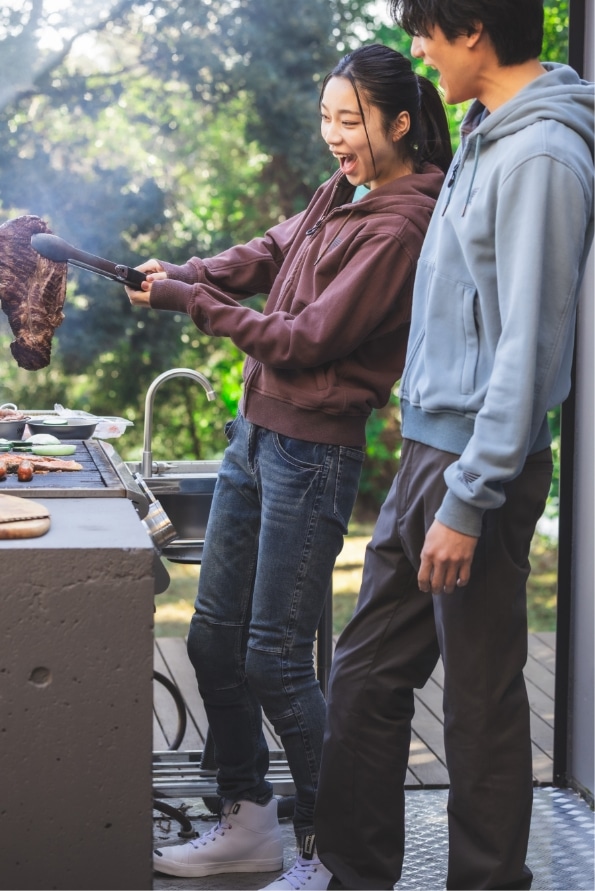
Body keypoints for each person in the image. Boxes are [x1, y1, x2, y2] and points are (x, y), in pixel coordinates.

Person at [126, 43, 452, 889]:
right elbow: (272, 249)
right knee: (212, 641)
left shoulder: (401, 225)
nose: (333, 136)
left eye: (350, 121)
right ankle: (248, 819)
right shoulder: (343, 193)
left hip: (313, 452)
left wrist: (191, 301)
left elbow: (307, 340)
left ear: (400, 124)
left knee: (274, 657)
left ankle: (326, 847)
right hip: (255, 434)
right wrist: (190, 272)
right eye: (325, 119)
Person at [314, 3, 594, 890]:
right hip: (427, 453)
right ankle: (353, 873)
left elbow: (529, 349)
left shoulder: (541, 155)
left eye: (426, 31)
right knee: (365, 674)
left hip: (479, 467)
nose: (416, 49)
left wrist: (469, 499)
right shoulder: (483, 133)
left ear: (472, 28)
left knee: (478, 704)